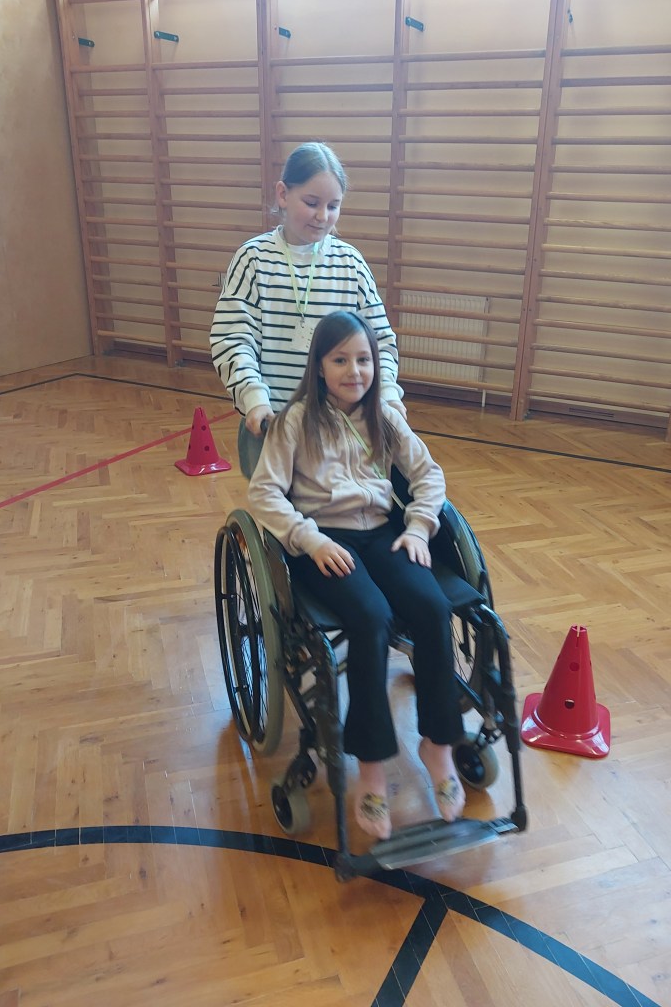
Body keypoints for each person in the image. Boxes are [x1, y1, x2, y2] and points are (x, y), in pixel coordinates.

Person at [249, 310, 466, 841]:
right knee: (370, 618)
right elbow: (264, 493)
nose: (354, 371)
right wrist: (309, 539)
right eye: (340, 360)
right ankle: (371, 770)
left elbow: (428, 475)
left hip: (384, 533)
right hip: (325, 541)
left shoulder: (384, 415)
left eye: (364, 359)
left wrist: (419, 528)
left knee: (432, 608)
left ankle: (437, 747)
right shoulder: (296, 420)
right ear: (320, 366)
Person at [210, 141, 406, 477]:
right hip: (274, 425)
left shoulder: (351, 264)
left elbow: (381, 343)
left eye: (333, 205)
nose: (323, 216)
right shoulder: (253, 259)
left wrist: (387, 394)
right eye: (312, 203)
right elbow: (233, 339)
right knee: (276, 507)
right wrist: (253, 398)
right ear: (283, 195)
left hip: (340, 429)